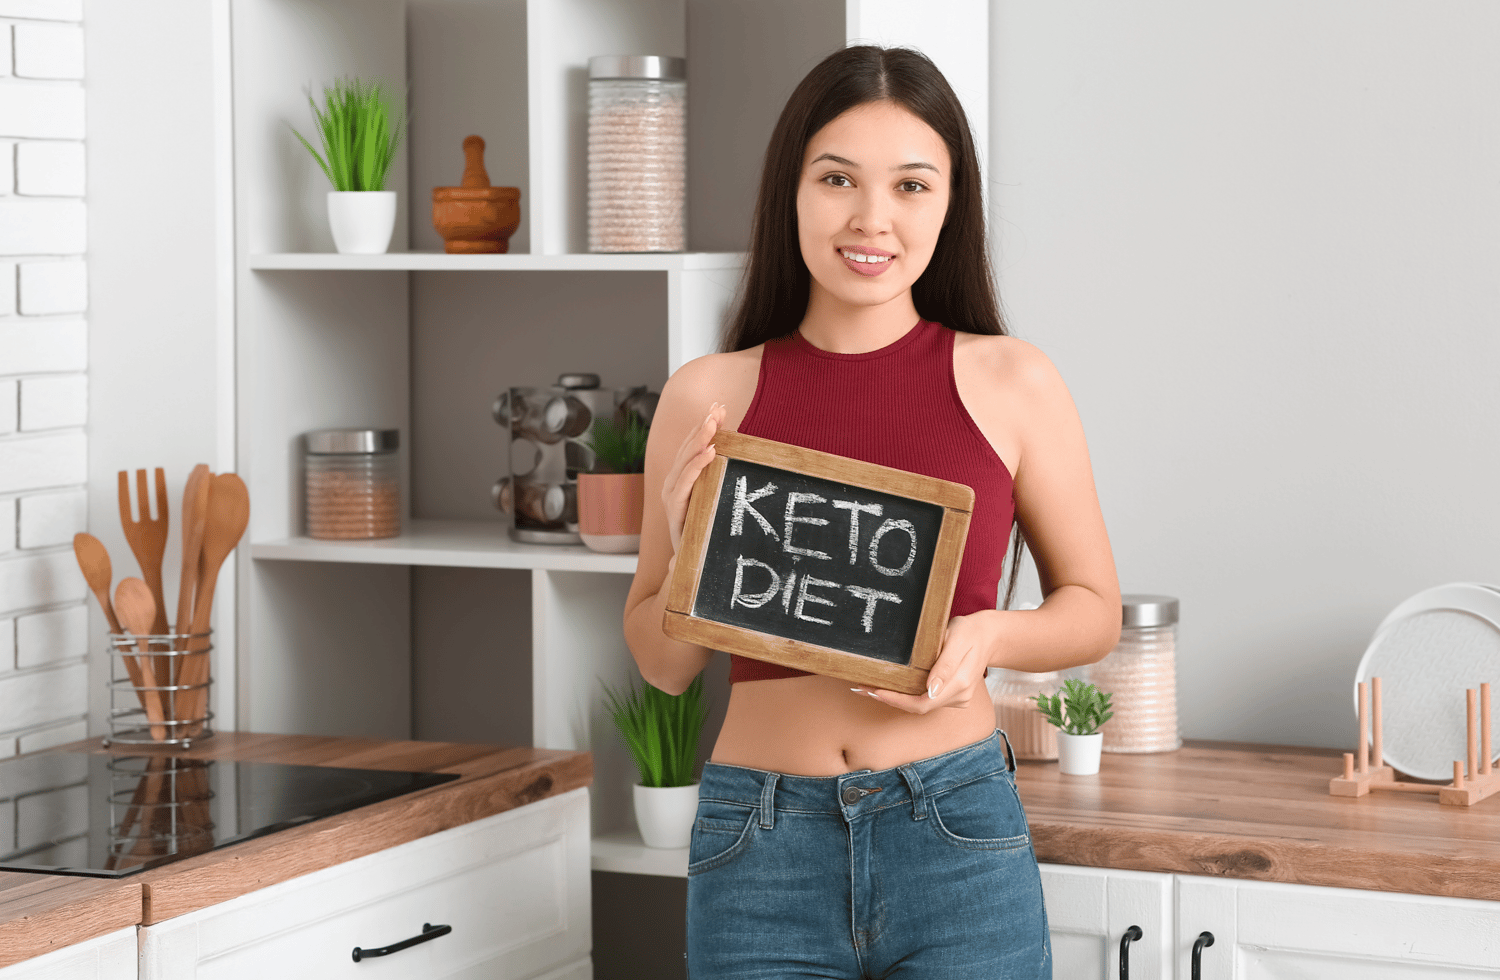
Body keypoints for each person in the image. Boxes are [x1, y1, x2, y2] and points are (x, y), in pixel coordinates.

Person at [623, 44, 1119, 979]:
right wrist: (695, 543)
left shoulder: (1012, 380)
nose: (871, 218)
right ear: (793, 191)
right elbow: (665, 666)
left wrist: (986, 639)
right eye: (838, 178)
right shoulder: (706, 396)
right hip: (757, 841)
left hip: (955, 830)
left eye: (912, 185)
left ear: (951, 202)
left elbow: (1092, 605)